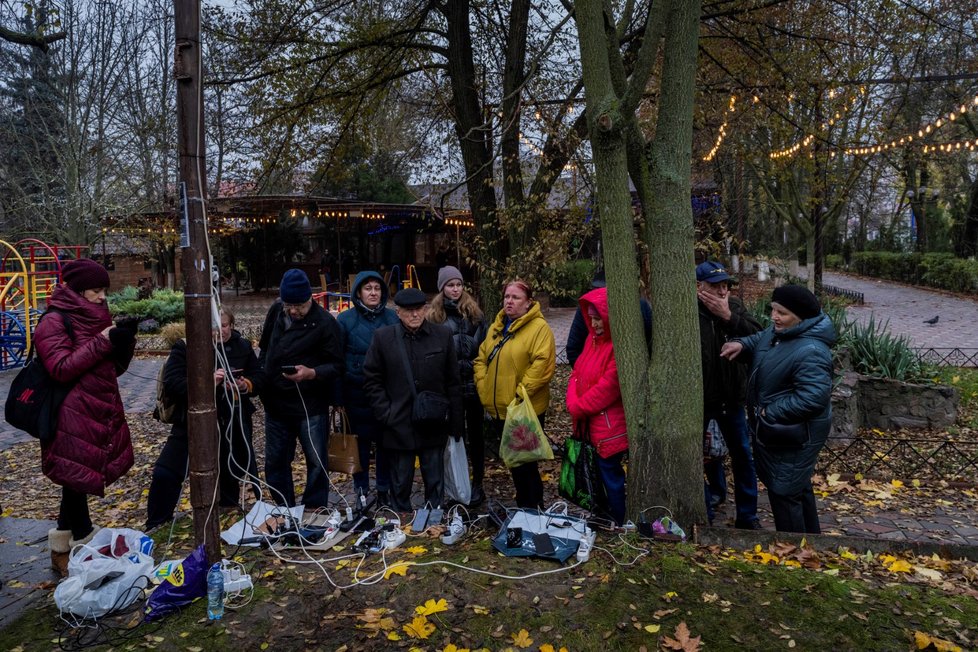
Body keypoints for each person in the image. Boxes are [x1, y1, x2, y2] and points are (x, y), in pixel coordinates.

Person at [35, 258, 136, 575]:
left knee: (76, 481)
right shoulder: (53, 322)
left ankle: (70, 546)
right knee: (75, 480)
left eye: (104, 290)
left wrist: (124, 343)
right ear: (77, 290)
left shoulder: (93, 317)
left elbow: (111, 369)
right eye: (96, 290)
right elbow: (61, 368)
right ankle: (72, 547)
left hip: (94, 411)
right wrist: (103, 341)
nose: (102, 296)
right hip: (69, 416)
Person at [720, 284, 836, 534]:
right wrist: (741, 345)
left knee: (784, 491)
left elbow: (813, 397)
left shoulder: (812, 351)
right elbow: (760, 341)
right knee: (797, 487)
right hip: (781, 433)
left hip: (795, 435)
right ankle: (813, 543)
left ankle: (794, 549)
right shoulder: (781, 333)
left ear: (800, 316)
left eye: (781, 313)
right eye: (773, 310)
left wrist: (767, 412)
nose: (774, 317)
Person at [145, 309, 263, 530]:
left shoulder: (242, 346)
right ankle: (157, 522)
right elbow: (173, 383)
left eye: (225, 326)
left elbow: (259, 378)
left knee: (231, 469)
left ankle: (228, 513)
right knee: (167, 471)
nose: (220, 331)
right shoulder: (185, 348)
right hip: (191, 421)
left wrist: (244, 384)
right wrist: (206, 382)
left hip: (233, 418)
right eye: (214, 328)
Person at [362, 288, 463, 511]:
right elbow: (372, 379)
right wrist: (386, 413)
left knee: (435, 481)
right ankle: (402, 524)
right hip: (398, 424)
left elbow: (452, 382)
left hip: (434, 423)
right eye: (408, 311)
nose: (414, 315)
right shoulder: (383, 338)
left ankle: (434, 521)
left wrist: (456, 422)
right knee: (400, 483)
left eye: (418, 309)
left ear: (426, 309)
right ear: (398, 312)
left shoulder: (442, 335)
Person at [258, 269, 343, 509]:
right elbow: (265, 347)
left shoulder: (326, 322)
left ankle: (314, 507)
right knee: (275, 461)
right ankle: (283, 508)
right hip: (275, 403)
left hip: (310, 405)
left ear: (310, 299)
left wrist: (312, 373)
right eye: (289, 305)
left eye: (300, 306)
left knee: (316, 461)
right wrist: (262, 376)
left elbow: (337, 366)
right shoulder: (276, 311)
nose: (294, 310)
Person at [474, 279, 556, 508]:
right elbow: (481, 359)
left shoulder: (539, 329)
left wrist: (519, 396)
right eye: (507, 297)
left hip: (523, 410)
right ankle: (525, 508)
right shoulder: (497, 327)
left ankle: (533, 508)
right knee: (514, 464)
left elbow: (542, 366)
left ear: (528, 303)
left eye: (516, 297)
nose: (509, 302)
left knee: (525, 463)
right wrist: (483, 388)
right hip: (500, 409)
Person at [695, 260, 763, 529]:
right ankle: (706, 505)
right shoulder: (689, 313)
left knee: (742, 455)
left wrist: (729, 318)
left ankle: (748, 515)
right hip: (701, 399)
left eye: (725, 286)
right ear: (699, 287)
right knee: (697, 456)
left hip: (732, 398)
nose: (722, 292)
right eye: (715, 286)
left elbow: (760, 338)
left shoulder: (734, 309)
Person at [564, 288, 629, 524]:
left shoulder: (616, 347)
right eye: (591, 318)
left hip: (608, 426)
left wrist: (578, 406)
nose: (594, 323)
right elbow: (576, 374)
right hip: (589, 424)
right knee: (595, 474)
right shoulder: (592, 341)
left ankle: (618, 518)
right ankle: (602, 514)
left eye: (598, 317)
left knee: (610, 475)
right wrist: (573, 402)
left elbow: (608, 387)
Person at [337, 270, 399, 507]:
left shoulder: (392, 319)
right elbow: (338, 358)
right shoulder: (345, 320)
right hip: (356, 392)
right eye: (368, 288)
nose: (373, 293)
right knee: (359, 446)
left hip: (385, 394)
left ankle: (384, 489)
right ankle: (361, 491)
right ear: (358, 292)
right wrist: (339, 395)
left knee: (385, 444)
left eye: (377, 288)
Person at [427, 266, 488, 505]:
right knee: (452, 436)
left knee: (476, 437)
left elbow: (483, 348)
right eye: (450, 285)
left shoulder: (475, 314)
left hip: (473, 385)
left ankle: (478, 483)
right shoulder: (435, 317)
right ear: (442, 288)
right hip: (449, 388)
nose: (455, 289)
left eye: (458, 284)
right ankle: (453, 483)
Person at [565, 269, 652, 368]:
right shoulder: (587, 308)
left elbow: (651, 341)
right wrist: (584, 376)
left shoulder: (639, 306)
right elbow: (574, 348)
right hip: (597, 375)